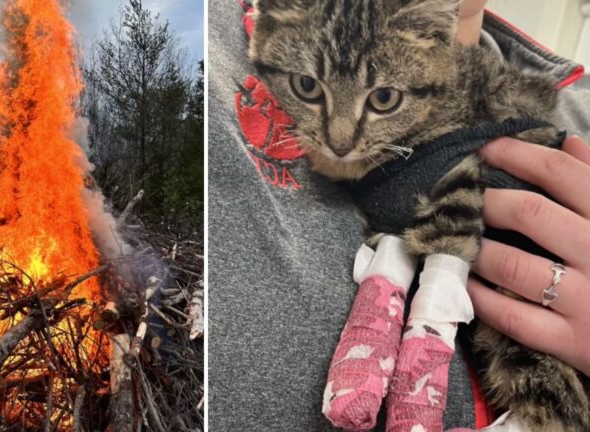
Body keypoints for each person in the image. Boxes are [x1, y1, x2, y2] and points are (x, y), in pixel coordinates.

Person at [208, 0, 590, 430]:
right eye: (308, 88)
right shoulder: (212, 51)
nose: (340, 140)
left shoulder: (580, 114)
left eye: (384, 97)